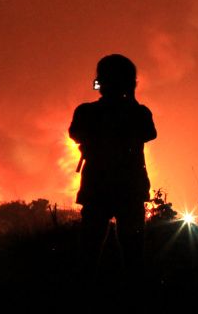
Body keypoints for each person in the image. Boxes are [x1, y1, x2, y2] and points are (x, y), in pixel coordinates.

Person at [69, 53, 157, 277]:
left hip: (97, 188)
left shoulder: (86, 112)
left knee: (88, 253)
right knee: (133, 253)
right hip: (130, 190)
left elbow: (76, 133)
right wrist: (131, 100)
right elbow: (149, 132)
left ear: (101, 82)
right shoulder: (139, 113)